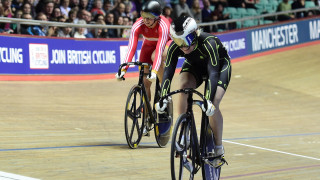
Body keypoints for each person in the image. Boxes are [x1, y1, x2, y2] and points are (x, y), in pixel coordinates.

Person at [155, 15, 231, 168]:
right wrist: (163, 97)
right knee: (183, 86)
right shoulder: (177, 46)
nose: (182, 46)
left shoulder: (209, 42)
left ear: (195, 33)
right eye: (178, 42)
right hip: (195, 66)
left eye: (185, 41)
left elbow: (213, 74)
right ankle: (184, 130)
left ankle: (218, 148)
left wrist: (208, 100)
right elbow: (168, 71)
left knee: (214, 103)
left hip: (219, 68)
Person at [115, 0, 171, 107]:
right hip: (148, 45)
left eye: (149, 17)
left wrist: (154, 71)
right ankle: (147, 113)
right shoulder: (138, 25)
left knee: (155, 57)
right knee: (145, 82)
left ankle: (165, 90)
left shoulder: (163, 25)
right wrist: (123, 69)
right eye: (143, 16)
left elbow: (159, 50)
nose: (145, 20)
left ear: (156, 17)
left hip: (166, 44)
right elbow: (131, 48)